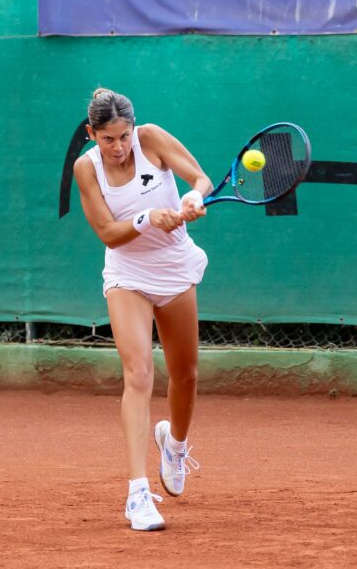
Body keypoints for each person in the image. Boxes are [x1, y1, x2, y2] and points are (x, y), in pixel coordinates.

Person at [73, 88, 212, 531]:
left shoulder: (151, 139)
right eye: (108, 139)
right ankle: (136, 494)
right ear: (91, 133)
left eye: (124, 136)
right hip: (127, 276)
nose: (118, 147)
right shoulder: (86, 168)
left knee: (186, 374)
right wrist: (146, 218)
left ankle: (174, 444)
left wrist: (193, 198)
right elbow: (109, 234)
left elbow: (200, 179)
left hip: (173, 270)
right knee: (138, 374)